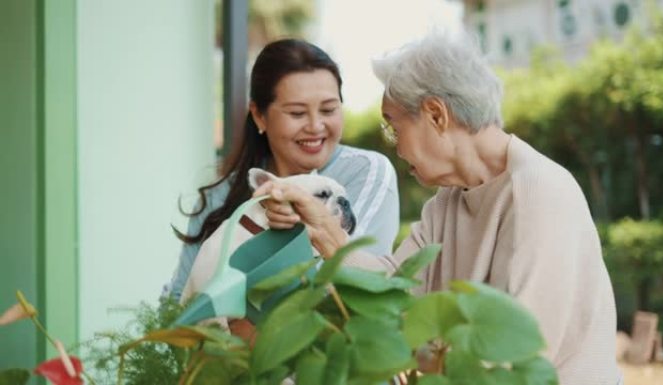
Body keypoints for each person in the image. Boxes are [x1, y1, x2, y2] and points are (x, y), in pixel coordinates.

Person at [253, 30, 622, 385]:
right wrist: (319, 225)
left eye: (394, 127)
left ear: (435, 114)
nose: (395, 147)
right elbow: (392, 286)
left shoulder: (540, 191)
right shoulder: (448, 198)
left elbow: (515, 356)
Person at [163, 39, 399, 301]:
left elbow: (356, 279)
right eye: (297, 113)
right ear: (259, 116)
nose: (316, 125)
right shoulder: (222, 197)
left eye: (329, 109)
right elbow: (179, 299)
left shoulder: (365, 172)